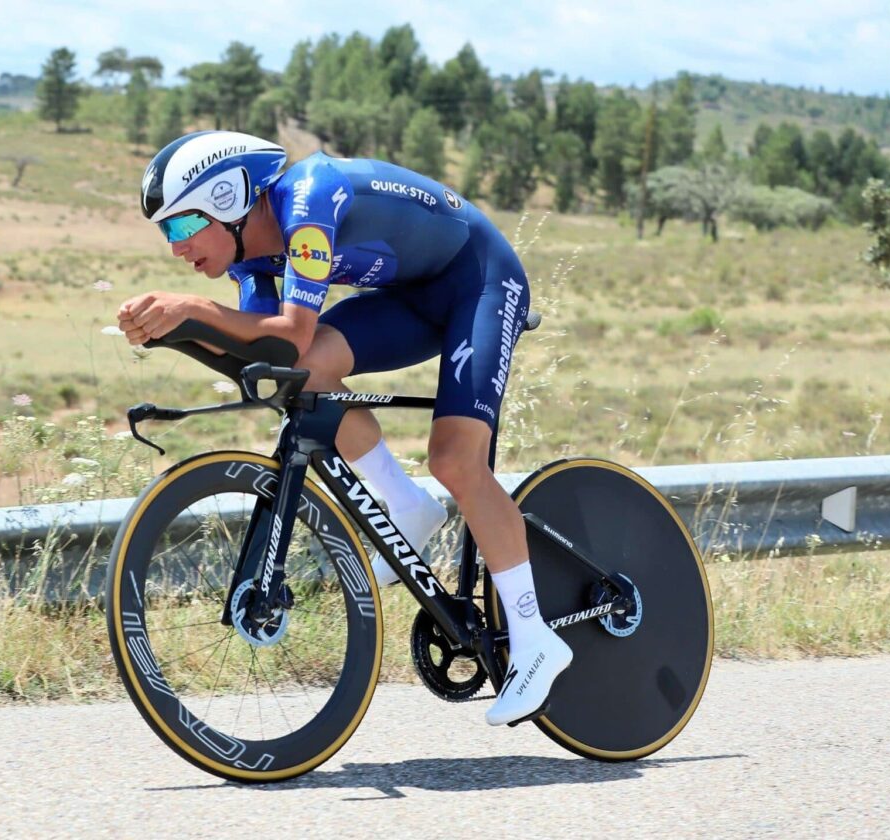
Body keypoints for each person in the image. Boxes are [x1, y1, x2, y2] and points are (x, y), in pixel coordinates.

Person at [118, 130, 571, 727]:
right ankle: (405, 504)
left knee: (455, 460)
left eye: (181, 225)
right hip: (410, 296)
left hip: (479, 279)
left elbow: (293, 331)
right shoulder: (249, 257)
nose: (176, 247)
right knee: (304, 376)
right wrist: (175, 330)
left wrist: (194, 310)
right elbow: (272, 357)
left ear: (226, 199)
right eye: (165, 233)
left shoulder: (309, 199)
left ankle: (535, 638)